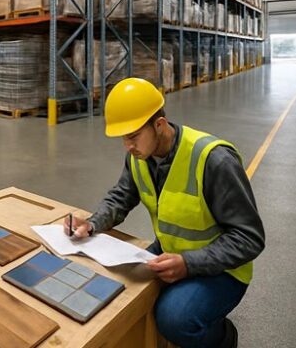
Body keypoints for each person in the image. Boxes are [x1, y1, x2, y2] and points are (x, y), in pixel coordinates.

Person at [64, 78, 265, 348]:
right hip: (172, 251)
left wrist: (189, 264)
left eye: (133, 136)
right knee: (116, 286)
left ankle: (223, 337)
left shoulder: (214, 160)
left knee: (173, 318)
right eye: (123, 138)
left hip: (223, 270)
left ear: (159, 125)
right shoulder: (139, 156)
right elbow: (122, 196)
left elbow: (249, 237)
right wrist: (92, 223)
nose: (127, 145)